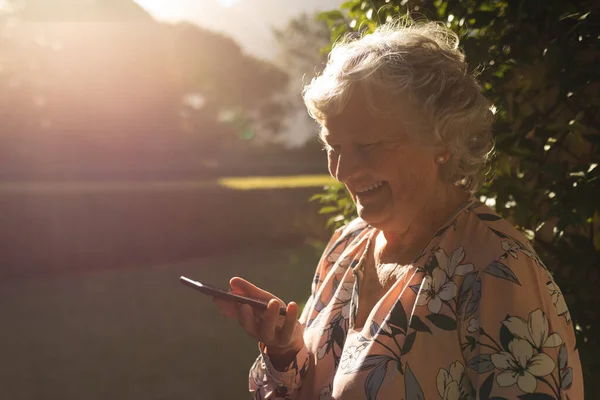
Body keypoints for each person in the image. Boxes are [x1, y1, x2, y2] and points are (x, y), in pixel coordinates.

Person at [214, 19, 583, 400]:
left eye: (368, 146)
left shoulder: (498, 271)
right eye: (333, 146)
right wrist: (285, 349)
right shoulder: (346, 245)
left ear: (442, 140)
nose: (343, 171)